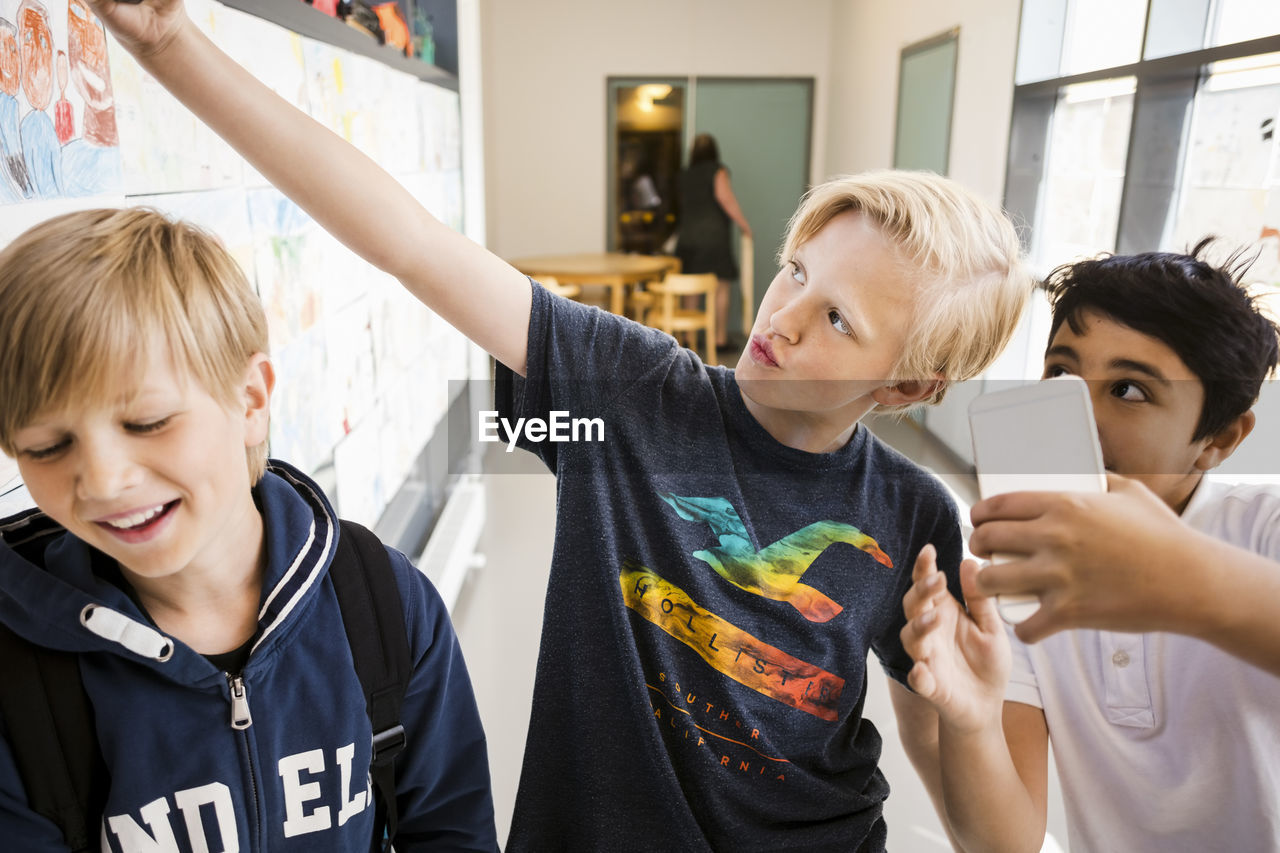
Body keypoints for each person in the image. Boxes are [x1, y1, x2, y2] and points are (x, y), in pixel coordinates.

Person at [83, 1, 1033, 848]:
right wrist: (171, 41)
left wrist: (979, 719)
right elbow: (412, 245)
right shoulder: (636, 392)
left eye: (838, 320)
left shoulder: (913, 514)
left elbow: (995, 836)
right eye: (794, 270)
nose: (780, 315)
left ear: (907, 387)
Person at [0, 207, 498, 851]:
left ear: (251, 401)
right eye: (46, 446)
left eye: (147, 422)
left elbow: (451, 827)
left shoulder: (383, 602)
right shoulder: (18, 676)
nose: (101, 480)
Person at [901, 241, 1280, 852]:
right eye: (1061, 373)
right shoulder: (1023, 576)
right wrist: (970, 724)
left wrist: (1172, 574)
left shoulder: (1263, 526)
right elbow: (1008, 842)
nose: (1075, 411)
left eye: (1129, 390)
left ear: (1218, 438)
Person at [675, 133, 753, 349]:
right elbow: (725, 198)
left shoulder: (685, 175)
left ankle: (688, 339)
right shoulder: (717, 171)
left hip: (687, 237)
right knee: (720, 288)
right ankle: (719, 339)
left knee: (691, 289)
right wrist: (744, 225)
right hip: (713, 238)